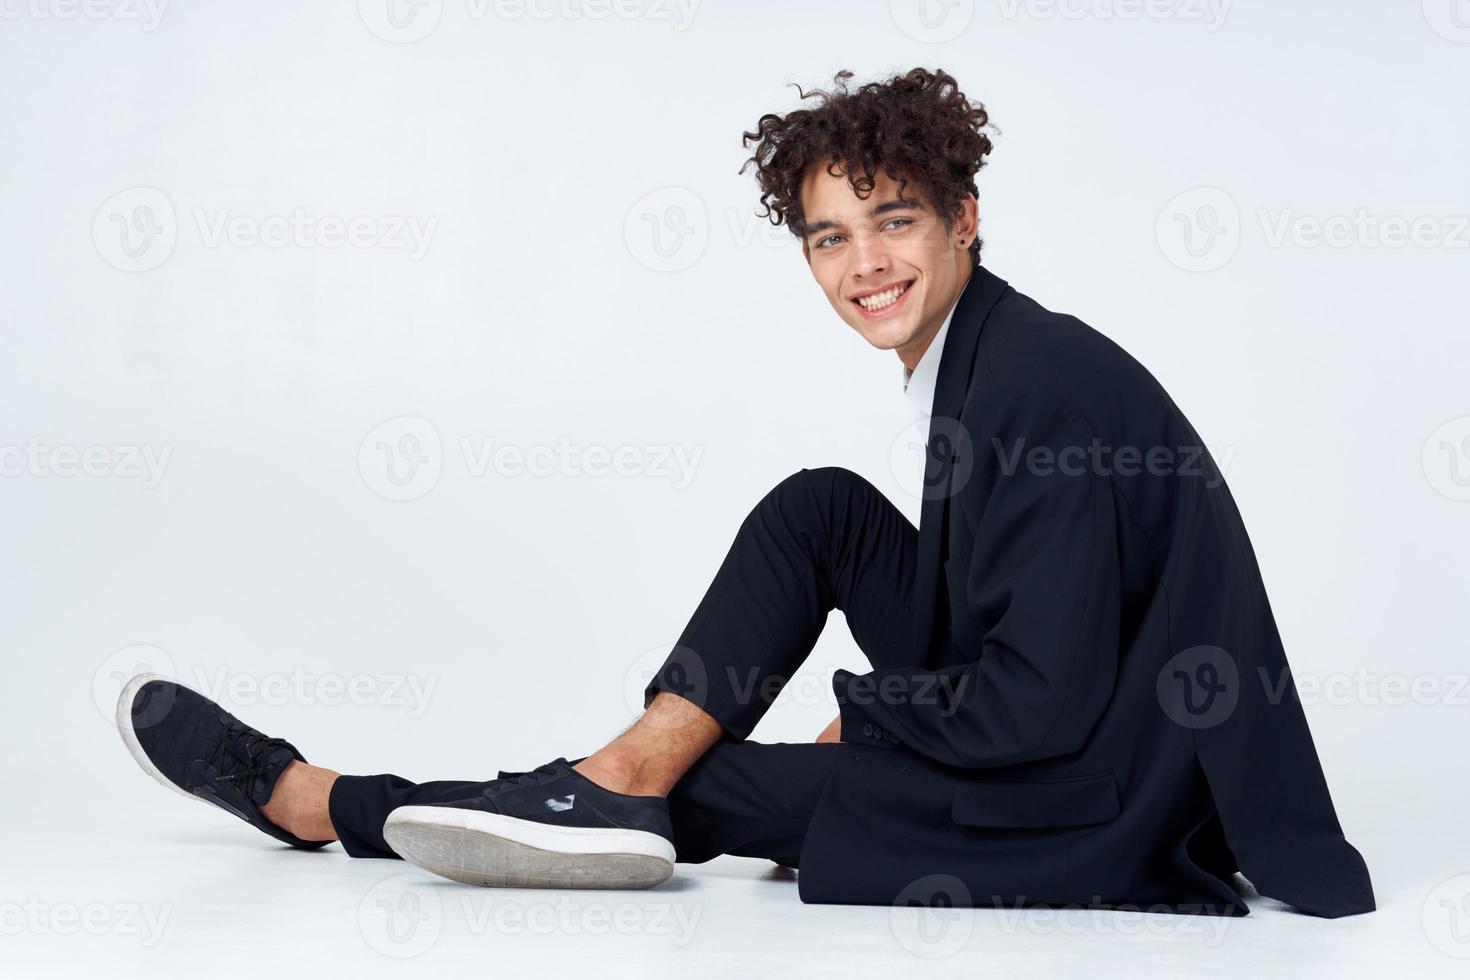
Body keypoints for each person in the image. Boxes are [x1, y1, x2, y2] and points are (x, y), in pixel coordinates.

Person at [116, 67, 1374, 917]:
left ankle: (323, 801)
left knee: (694, 792)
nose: (864, 263)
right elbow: (1021, 625)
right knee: (819, 507)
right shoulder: (992, 355)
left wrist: (874, 713)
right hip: (1073, 713)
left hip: (1098, 799)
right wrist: (893, 707)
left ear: (963, 220)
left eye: (893, 222)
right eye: (830, 235)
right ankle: (614, 776)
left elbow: (1043, 702)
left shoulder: (1037, 386)